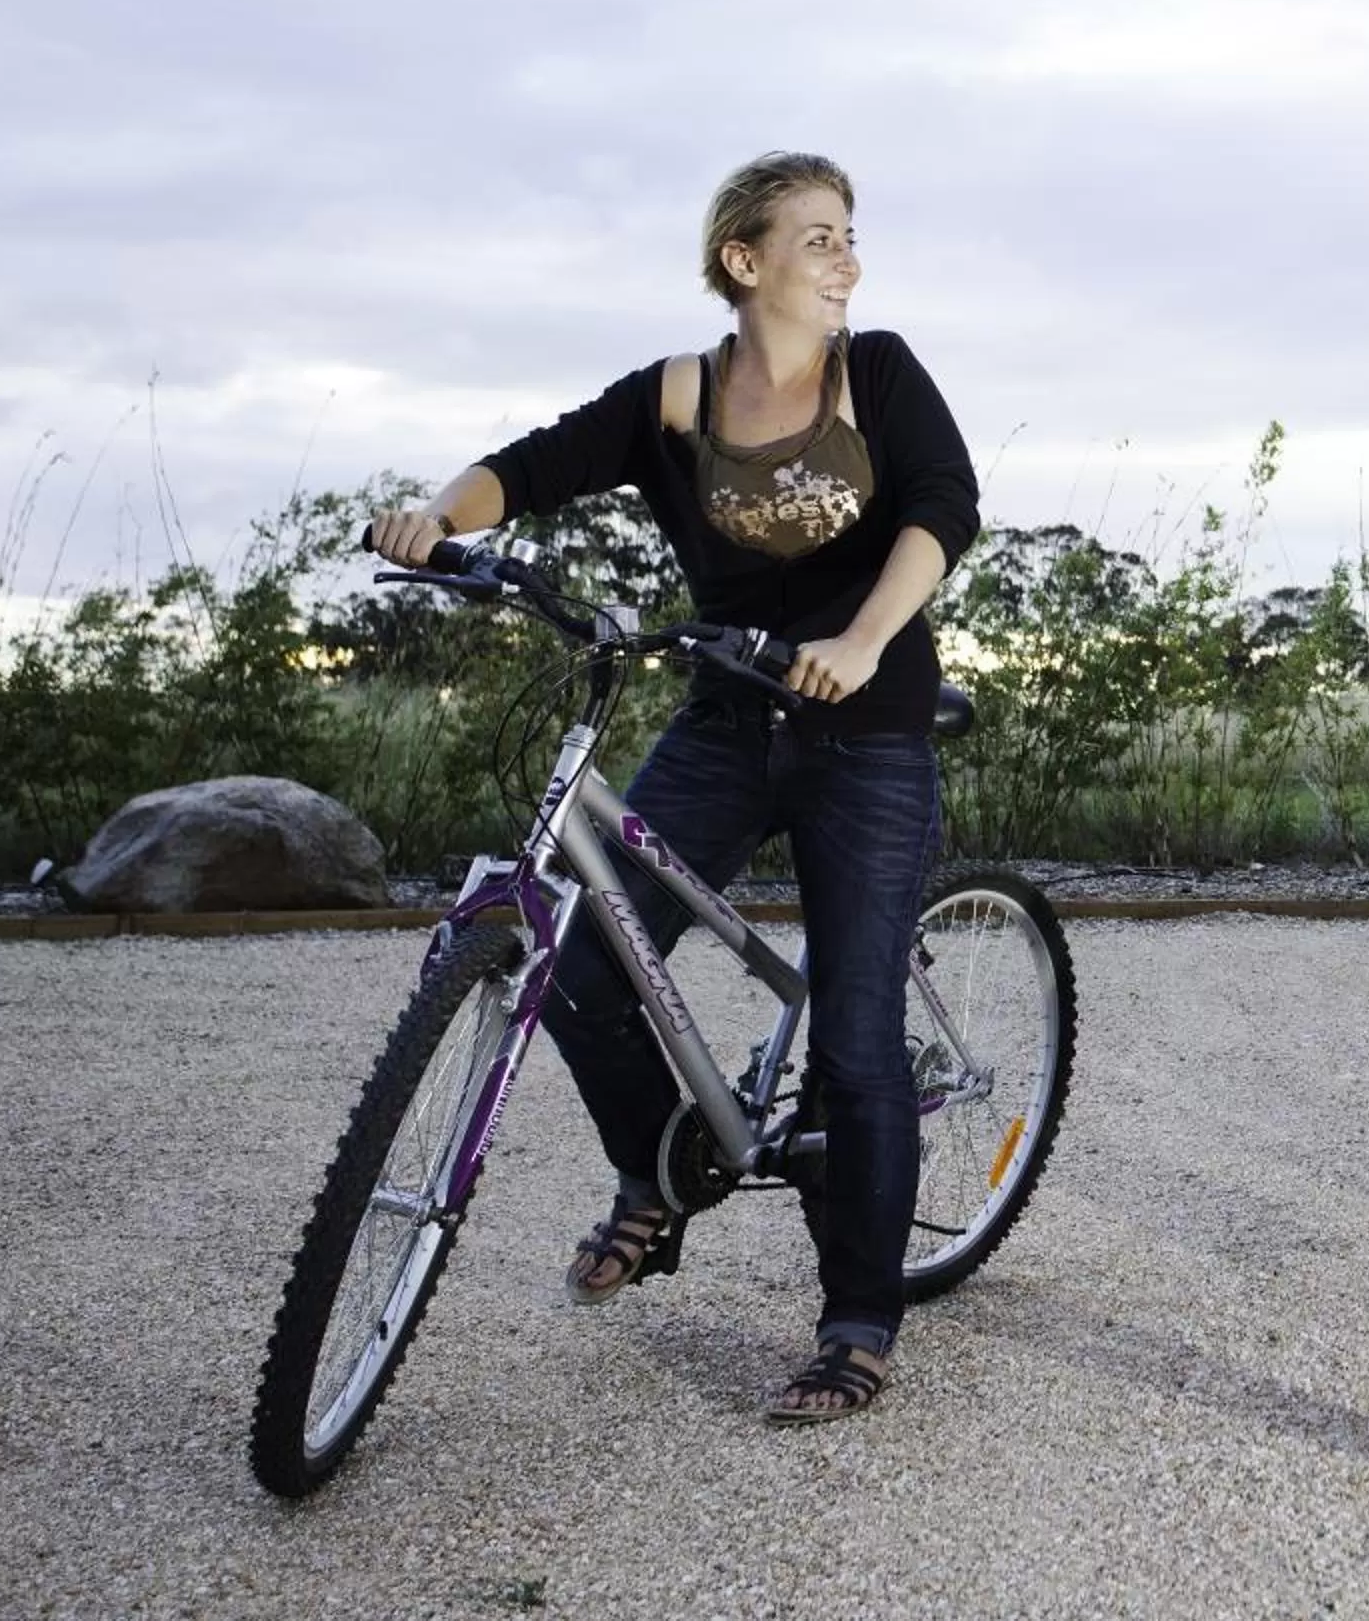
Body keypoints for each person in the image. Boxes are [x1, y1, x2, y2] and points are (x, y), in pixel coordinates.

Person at [367, 151, 977, 1423]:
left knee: (856, 1033)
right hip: (725, 721)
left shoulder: (879, 373)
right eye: (819, 237)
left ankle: (858, 1319)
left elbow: (943, 507)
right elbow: (530, 466)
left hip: (868, 729)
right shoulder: (676, 398)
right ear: (744, 260)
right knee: (582, 965)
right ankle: (658, 1174)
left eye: (850, 234)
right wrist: (440, 517)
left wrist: (864, 639)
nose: (848, 259)